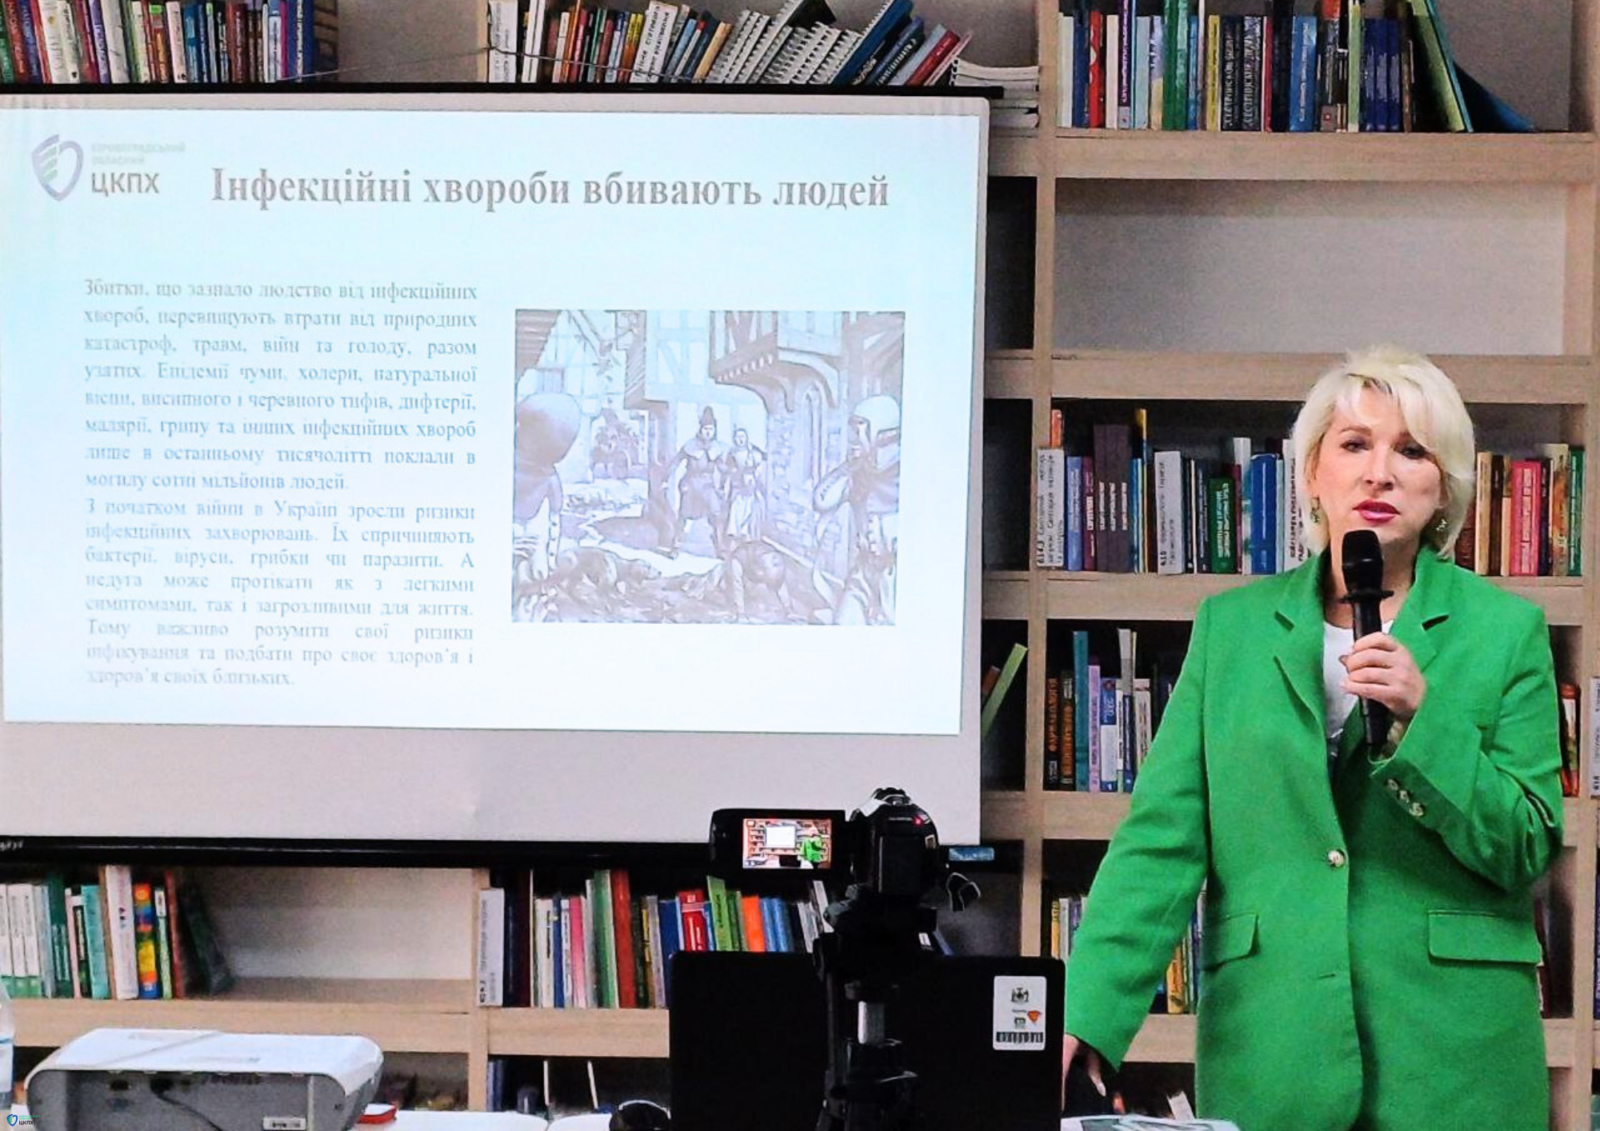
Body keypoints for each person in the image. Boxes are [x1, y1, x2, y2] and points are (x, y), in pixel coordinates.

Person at [1061, 346, 1562, 1131]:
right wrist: (1089, 1013)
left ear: (1444, 489)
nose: (1379, 473)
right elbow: (1160, 842)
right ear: (1313, 474)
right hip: (1274, 1044)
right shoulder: (1231, 631)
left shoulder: (1506, 632)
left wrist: (1424, 722)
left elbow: (1528, 841)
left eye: (1411, 451)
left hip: (1455, 1058)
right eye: (1355, 444)